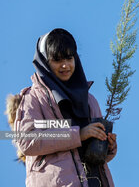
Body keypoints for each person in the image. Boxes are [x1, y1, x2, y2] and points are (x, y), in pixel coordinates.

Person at [13, 28, 117, 187]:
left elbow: (90, 156)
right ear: (44, 62)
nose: (65, 65)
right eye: (57, 59)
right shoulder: (33, 98)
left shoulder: (89, 100)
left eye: (69, 58)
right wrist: (78, 134)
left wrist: (107, 146)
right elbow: (27, 140)